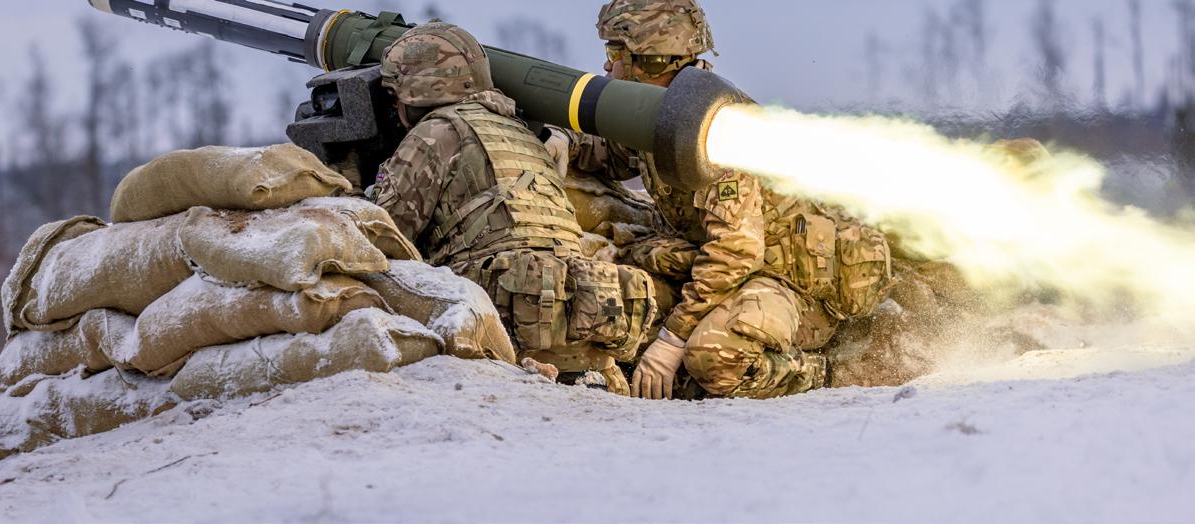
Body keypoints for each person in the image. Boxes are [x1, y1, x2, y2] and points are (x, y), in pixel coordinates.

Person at [552, 0, 896, 400]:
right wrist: (564, 141)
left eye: (615, 54)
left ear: (650, 60)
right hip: (730, 270)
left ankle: (829, 372)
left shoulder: (715, 125)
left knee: (713, 358)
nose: (607, 66)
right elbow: (613, 155)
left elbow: (736, 251)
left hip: (789, 284)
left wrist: (672, 340)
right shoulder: (663, 109)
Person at [370, 22, 657, 395]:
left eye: (394, 94)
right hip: (585, 326)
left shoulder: (436, 133)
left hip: (508, 329)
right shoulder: (524, 131)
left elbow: (382, 234)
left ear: (415, 91)